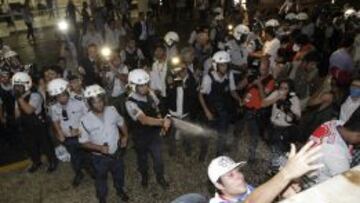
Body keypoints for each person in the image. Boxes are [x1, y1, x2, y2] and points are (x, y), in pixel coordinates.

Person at [207, 141, 323, 203]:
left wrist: (281, 193)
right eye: (230, 175)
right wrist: (286, 173)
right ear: (219, 185)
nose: (240, 176)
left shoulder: (243, 189)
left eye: (238, 171)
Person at [79, 84, 129, 203]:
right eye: (95, 102)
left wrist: (125, 136)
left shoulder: (112, 110)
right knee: (100, 178)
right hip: (99, 158)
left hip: (116, 153)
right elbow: (83, 143)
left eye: (100, 101)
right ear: (89, 104)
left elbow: (121, 122)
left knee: (119, 174)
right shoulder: (84, 120)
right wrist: (99, 148)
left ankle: (120, 190)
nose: (99, 104)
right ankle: (102, 198)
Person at [125, 69, 171, 189]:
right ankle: (144, 177)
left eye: (146, 84)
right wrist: (162, 122)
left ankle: (160, 178)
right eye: (141, 86)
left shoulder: (150, 93)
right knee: (142, 159)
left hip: (154, 134)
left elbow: (157, 109)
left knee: (158, 158)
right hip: (140, 136)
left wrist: (162, 124)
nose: (145, 87)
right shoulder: (130, 103)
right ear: (133, 86)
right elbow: (144, 120)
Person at [12, 72, 57, 173]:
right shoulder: (18, 98)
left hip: (39, 124)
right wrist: (18, 100)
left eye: (19, 86)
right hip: (26, 126)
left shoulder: (35, 95)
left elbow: (29, 110)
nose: (17, 89)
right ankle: (36, 162)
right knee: (31, 146)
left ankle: (53, 161)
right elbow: (17, 115)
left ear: (26, 85)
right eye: (16, 86)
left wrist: (19, 98)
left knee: (46, 145)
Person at [48, 78, 89, 186]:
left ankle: (91, 170)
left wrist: (80, 129)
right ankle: (79, 174)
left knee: (87, 155)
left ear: (67, 91)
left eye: (63, 95)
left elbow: (88, 118)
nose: (62, 98)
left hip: (82, 135)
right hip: (68, 138)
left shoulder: (79, 101)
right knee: (74, 158)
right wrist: (60, 133)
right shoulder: (54, 107)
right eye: (58, 96)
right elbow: (55, 121)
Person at [307, 107, 360, 185]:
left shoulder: (336, 123)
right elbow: (344, 184)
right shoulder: (336, 152)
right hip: (318, 184)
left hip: (315, 163)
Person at [198, 51, 235, 159]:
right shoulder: (208, 78)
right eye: (222, 65)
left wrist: (240, 100)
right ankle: (203, 152)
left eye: (226, 65)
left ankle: (219, 156)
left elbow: (232, 91)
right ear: (216, 65)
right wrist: (207, 112)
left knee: (222, 134)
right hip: (211, 111)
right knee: (206, 135)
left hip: (223, 111)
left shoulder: (229, 75)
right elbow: (200, 95)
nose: (225, 67)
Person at [262, 79, 301, 168]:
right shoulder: (276, 93)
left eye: (285, 88)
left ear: (290, 90)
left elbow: (297, 118)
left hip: (284, 130)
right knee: (271, 148)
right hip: (272, 126)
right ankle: (271, 167)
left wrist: (287, 110)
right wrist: (276, 98)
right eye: (281, 88)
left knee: (280, 152)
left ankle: (277, 170)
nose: (282, 90)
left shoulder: (294, 99)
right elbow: (263, 104)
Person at [165, 60, 198, 156]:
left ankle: (188, 150)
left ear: (187, 68)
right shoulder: (172, 79)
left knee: (186, 134)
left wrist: (186, 88)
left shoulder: (191, 80)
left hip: (185, 114)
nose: (182, 71)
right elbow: (168, 96)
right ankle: (172, 151)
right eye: (180, 68)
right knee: (171, 134)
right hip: (173, 114)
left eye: (184, 68)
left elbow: (193, 97)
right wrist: (170, 85)